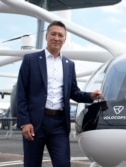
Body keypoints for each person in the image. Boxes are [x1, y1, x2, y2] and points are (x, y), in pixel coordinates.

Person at [16, 20, 103, 167]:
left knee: (63, 164)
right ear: (46, 36)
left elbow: (74, 92)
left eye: (60, 35)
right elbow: (21, 92)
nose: (57, 38)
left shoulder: (69, 65)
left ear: (65, 39)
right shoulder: (30, 60)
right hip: (36, 122)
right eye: (53, 34)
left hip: (59, 124)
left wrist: (90, 96)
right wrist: (25, 122)